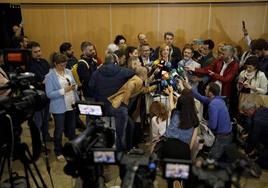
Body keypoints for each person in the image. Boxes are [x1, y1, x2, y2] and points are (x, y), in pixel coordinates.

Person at [88, 53, 135, 151]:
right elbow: (133, 73)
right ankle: (123, 151)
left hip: (102, 108)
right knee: (125, 129)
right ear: (115, 61)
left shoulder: (96, 72)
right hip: (117, 108)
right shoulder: (121, 70)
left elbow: (90, 88)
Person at [45, 53, 79, 162]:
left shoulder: (68, 71)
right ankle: (58, 151)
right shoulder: (50, 76)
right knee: (59, 130)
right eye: (61, 65)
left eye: (65, 65)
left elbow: (74, 84)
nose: (64, 67)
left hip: (71, 104)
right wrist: (64, 90)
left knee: (72, 129)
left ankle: (73, 149)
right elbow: (49, 94)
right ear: (55, 64)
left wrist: (74, 87)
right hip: (59, 107)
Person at [186, 81, 233, 160]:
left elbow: (213, 125)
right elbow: (202, 98)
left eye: (206, 89)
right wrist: (190, 88)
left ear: (211, 93)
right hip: (227, 134)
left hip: (222, 137)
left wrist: (204, 123)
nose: (205, 90)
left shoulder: (213, 105)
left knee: (211, 159)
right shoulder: (219, 100)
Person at [27, 41, 51, 142]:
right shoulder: (29, 65)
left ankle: (46, 136)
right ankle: (38, 143)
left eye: (39, 51)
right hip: (38, 97)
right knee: (38, 121)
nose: (38, 53)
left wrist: (45, 78)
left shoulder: (44, 61)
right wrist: (44, 79)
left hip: (48, 94)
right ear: (30, 53)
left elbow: (50, 74)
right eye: (35, 52)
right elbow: (40, 79)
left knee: (46, 119)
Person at [241, 102, 268, 169]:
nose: (246, 115)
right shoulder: (262, 109)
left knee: (260, 162)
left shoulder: (257, 120)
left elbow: (254, 138)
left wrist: (249, 151)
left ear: (251, 110)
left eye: (246, 112)